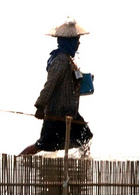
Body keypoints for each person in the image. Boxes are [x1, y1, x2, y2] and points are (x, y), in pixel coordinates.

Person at [19, 18, 94, 156]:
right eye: (77, 40)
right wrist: (40, 107)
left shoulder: (68, 59)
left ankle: (82, 165)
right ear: (69, 41)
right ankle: (17, 161)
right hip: (57, 114)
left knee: (85, 137)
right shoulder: (60, 60)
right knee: (41, 145)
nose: (79, 43)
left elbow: (68, 85)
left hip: (70, 114)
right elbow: (50, 84)